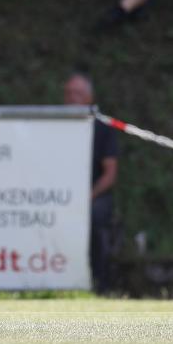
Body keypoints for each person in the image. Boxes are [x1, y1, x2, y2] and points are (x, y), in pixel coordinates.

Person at [63, 71, 118, 294]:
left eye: (78, 93)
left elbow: (110, 173)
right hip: (58, 195)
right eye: (68, 93)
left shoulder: (103, 128)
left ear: (89, 98)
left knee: (94, 217)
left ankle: (98, 283)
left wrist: (87, 197)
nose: (72, 98)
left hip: (93, 196)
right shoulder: (53, 126)